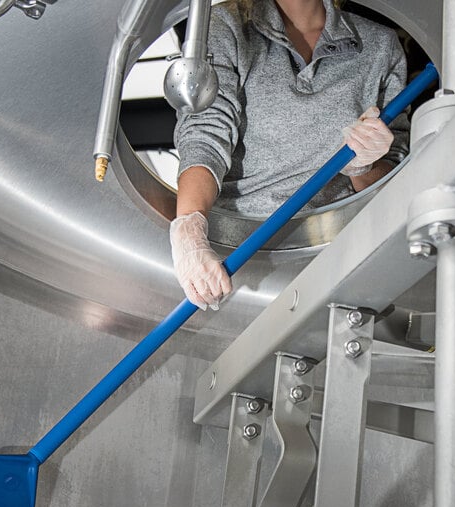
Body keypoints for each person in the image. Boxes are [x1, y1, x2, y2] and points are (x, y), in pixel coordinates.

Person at [169, 0, 409, 310]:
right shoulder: (225, 25)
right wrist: (189, 231)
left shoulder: (380, 46)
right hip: (235, 254)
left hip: (335, 254)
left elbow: (396, 185)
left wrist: (364, 166)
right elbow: (205, 133)